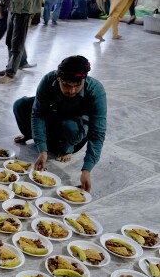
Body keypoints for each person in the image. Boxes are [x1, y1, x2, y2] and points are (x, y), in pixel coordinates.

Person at [12, 56, 106, 192]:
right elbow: (38, 113)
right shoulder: (49, 80)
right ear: (58, 78)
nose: (71, 90)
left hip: (74, 131)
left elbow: (98, 134)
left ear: (84, 80)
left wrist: (87, 169)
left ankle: (67, 148)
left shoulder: (96, 90)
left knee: (71, 126)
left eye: (77, 86)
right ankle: (31, 135)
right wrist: (42, 150)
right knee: (21, 105)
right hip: (55, 116)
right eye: (67, 85)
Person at [0, 0, 40, 83]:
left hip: (23, 10)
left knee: (17, 43)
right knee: (9, 41)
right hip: (12, 7)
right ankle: (9, 68)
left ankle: (10, 74)